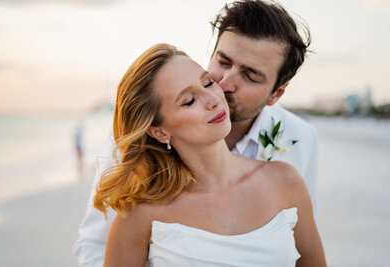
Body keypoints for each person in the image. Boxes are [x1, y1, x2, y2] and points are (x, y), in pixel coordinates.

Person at [74, 1, 320, 266]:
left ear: (277, 93)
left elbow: (295, 238)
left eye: (250, 76)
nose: (222, 85)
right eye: (222, 62)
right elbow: (96, 245)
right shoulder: (136, 147)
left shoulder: (298, 143)